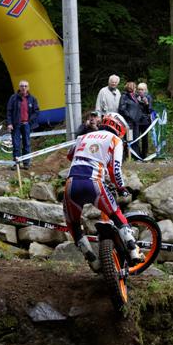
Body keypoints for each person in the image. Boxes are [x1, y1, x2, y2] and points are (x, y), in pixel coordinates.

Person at [63, 112, 143, 273]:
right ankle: (133, 250)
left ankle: (92, 260)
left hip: (71, 184)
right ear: (119, 128)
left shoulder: (82, 137)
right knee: (115, 213)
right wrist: (121, 188)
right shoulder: (115, 140)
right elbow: (115, 169)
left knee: (74, 225)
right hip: (93, 182)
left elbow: (70, 155)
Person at [6, 80, 39, 170]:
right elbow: (9, 111)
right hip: (15, 125)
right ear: (19, 87)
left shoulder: (32, 99)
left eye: (25, 86)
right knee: (16, 144)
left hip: (26, 124)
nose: (23, 87)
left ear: (28, 87)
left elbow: (36, 111)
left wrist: (29, 121)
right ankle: (16, 163)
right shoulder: (13, 98)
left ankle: (26, 163)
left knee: (27, 144)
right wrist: (9, 123)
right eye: (22, 86)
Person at [118, 81, 142, 157]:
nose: (136, 89)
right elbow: (122, 109)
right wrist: (130, 117)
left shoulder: (135, 96)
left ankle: (136, 156)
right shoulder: (124, 96)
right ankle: (128, 156)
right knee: (129, 139)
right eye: (135, 87)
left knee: (136, 138)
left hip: (135, 121)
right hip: (128, 122)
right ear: (131, 88)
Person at [135, 82, 153, 158]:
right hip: (137, 120)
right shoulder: (135, 97)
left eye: (142, 89)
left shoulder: (148, 97)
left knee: (144, 138)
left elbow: (150, 110)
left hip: (145, 121)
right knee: (136, 137)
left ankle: (144, 154)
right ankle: (137, 154)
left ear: (145, 90)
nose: (140, 91)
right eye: (139, 89)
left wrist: (147, 104)